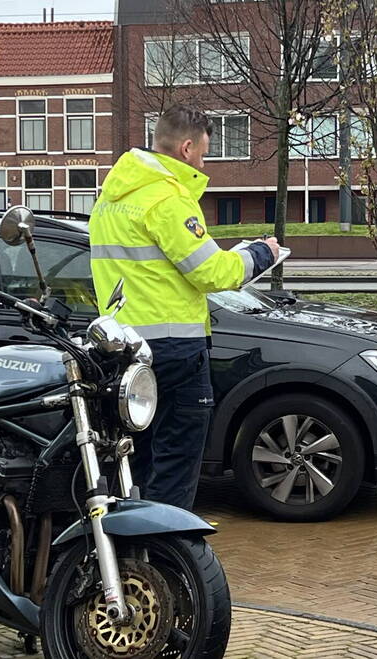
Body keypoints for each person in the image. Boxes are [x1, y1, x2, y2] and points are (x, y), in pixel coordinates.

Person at [89, 105, 280, 511]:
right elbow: (210, 272)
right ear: (188, 148)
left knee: (131, 463)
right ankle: (169, 556)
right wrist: (262, 254)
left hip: (124, 349)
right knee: (177, 462)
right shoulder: (167, 196)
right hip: (175, 350)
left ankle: (125, 554)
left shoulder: (110, 197)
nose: (203, 162)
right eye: (205, 154)